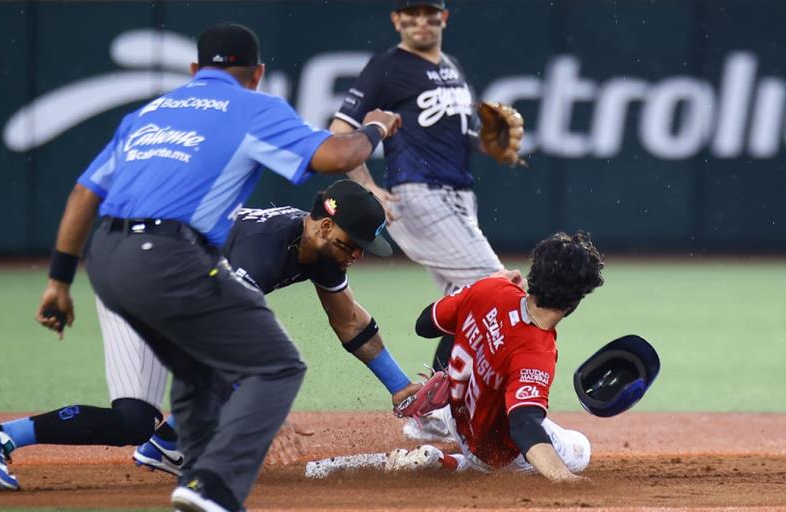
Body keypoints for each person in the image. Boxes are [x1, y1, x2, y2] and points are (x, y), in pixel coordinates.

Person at [0, 22, 400, 512]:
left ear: (193, 70)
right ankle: (212, 482)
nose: (354, 254)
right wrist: (374, 125)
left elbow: (85, 192)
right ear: (259, 74)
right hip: (171, 259)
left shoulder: (148, 115)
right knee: (272, 364)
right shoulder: (253, 117)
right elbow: (338, 154)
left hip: (108, 259)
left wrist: (59, 280)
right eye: (352, 242)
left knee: (133, 419)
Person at [129, 179, 420, 475]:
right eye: (354, 244)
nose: (358, 255)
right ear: (326, 227)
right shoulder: (261, 250)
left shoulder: (322, 247)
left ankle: (170, 442)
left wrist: (400, 387)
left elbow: (350, 323)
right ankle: (172, 443)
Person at [328, 0, 512, 376]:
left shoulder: (451, 67)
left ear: (443, 18)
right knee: (501, 292)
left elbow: (460, 137)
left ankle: (436, 410)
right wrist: (367, 185)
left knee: (467, 305)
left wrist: (488, 145)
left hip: (460, 198)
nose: (421, 22)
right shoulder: (388, 67)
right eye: (411, 14)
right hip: (418, 195)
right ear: (397, 20)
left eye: (430, 14)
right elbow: (339, 134)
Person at [386, 231, 604, 482]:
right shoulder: (535, 351)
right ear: (574, 301)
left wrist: (484, 284)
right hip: (489, 452)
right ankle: (447, 462)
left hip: (455, 415)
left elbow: (424, 325)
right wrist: (562, 476)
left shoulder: (492, 288)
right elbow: (523, 424)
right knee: (580, 448)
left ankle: (439, 432)